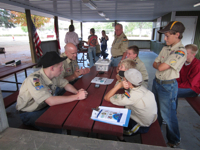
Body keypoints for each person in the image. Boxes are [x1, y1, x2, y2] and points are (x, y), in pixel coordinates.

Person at [16, 51, 88, 133]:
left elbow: (65, 84)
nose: (62, 69)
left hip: (43, 107)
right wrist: (77, 97)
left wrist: (76, 92)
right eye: (60, 67)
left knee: (65, 111)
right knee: (55, 125)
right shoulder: (35, 80)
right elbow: (50, 101)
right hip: (29, 113)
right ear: (52, 68)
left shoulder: (54, 76)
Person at [152, 21, 186, 148]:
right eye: (164, 36)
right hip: (157, 82)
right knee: (157, 111)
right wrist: (161, 64)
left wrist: (161, 64)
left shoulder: (180, 52)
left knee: (168, 114)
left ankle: (174, 139)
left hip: (167, 86)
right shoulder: (165, 48)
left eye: (167, 36)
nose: (165, 38)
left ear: (177, 35)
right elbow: (155, 64)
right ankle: (157, 133)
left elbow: (160, 67)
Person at [104, 69, 157, 140]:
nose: (122, 79)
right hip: (148, 118)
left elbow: (107, 97)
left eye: (124, 78)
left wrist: (119, 85)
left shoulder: (131, 97)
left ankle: (121, 138)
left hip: (141, 125)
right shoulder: (142, 88)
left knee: (115, 128)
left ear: (128, 82)